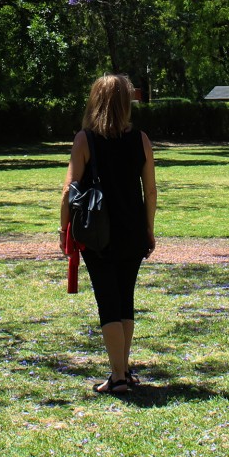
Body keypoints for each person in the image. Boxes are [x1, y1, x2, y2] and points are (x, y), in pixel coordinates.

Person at [60, 74, 157, 395]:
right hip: (133, 231)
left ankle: (117, 377)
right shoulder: (141, 139)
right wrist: (149, 230)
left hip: (98, 233)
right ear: (125, 103)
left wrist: (64, 232)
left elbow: (68, 192)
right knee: (125, 300)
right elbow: (151, 192)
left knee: (108, 303)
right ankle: (123, 370)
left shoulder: (84, 140)